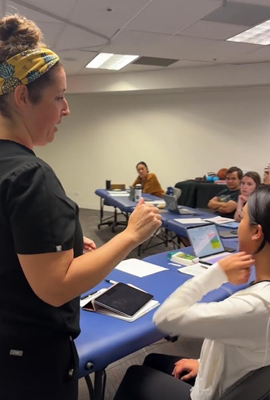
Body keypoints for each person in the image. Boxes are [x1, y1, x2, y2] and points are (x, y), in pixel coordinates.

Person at [0, 14, 162, 400]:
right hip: (30, 365)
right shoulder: (29, 176)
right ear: (23, 97)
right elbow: (56, 288)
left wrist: (63, 248)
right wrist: (131, 234)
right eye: (59, 97)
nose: (66, 109)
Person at [113, 185, 270, 400]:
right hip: (235, 378)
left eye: (241, 219)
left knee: (136, 375)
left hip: (215, 393)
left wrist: (217, 273)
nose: (237, 226)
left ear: (256, 232)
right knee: (153, 361)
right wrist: (203, 364)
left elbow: (166, 318)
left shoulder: (255, 306)